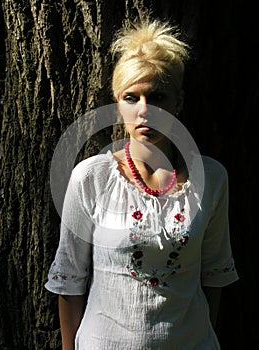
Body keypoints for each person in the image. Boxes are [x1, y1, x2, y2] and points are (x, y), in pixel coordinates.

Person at [45, 17, 239, 350]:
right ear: (117, 105)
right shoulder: (91, 177)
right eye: (131, 97)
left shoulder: (212, 178)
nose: (144, 110)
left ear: (178, 102)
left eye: (158, 96)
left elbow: (215, 273)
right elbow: (69, 280)